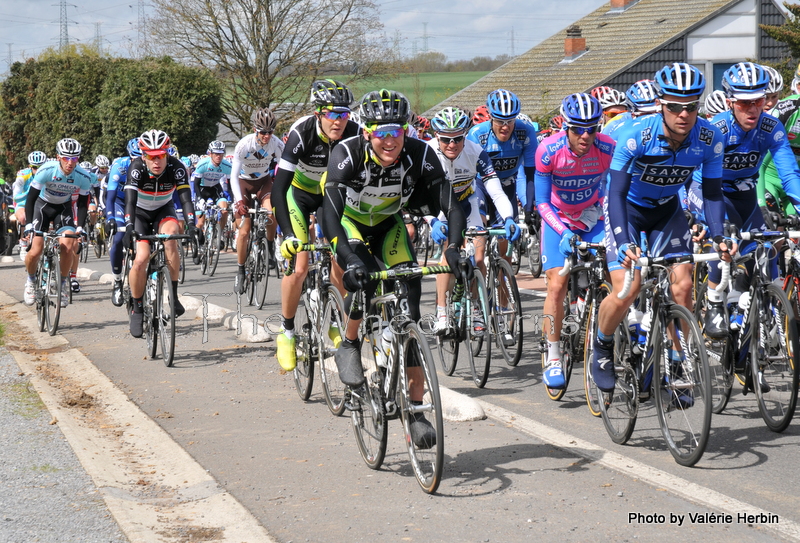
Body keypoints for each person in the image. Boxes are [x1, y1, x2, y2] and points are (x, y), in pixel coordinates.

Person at [322, 89, 470, 449]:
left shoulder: (420, 154)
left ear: (406, 131)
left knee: (411, 307)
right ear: (368, 132)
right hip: (351, 226)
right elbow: (329, 216)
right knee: (365, 282)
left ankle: (416, 411)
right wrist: (348, 258)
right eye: (381, 133)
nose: (390, 141)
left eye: (397, 132)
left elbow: (451, 206)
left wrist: (452, 247)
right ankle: (350, 343)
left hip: (389, 225)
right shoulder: (347, 153)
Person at [591, 63, 730, 392]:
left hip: (667, 210)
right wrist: (624, 241)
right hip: (627, 208)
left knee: (682, 287)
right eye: (675, 106)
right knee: (628, 288)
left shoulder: (710, 138)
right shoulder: (635, 135)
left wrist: (719, 235)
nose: (683, 114)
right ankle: (602, 345)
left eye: (691, 106)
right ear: (661, 105)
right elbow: (615, 192)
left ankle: (677, 359)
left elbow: (711, 193)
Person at [690, 62, 800, 339]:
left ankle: (752, 305)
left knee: (765, 251)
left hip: (745, 193)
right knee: (724, 243)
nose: (753, 109)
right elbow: (697, 178)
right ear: (730, 102)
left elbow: (789, 175)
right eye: (744, 103)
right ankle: (715, 301)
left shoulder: (771, 127)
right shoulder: (716, 129)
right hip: (709, 192)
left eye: (759, 101)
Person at [272, 79, 359, 371]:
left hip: (331, 197)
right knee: (299, 266)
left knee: (341, 254)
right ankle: (286, 333)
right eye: (332, 114)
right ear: (318, 113)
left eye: (344, 114)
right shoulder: (302, 134)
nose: (338, 121)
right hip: (299, 195)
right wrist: (286, 234)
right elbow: (278, 189)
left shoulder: (355, 133)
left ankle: (335, 318)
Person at [536, 93, 615, 389]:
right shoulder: (548, 151)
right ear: (565, 128)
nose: (585, 136)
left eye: (592, 129)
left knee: (615, 272)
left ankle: (606, 338)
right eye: (578, 129)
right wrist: (564, 230)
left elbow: (612, 192)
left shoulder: (607, 148)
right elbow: (541, 202)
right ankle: (554, 354)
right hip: (558, 219)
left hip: (592, 215)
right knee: (557, 284)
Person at [427, 106, 517, 334]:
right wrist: (432, 221)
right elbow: (418, 194)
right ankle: (442, 313)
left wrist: (508, 217)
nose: (452, 144)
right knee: (449, 255)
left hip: (468, 203)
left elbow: (496, 191)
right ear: (437, 136)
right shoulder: (427, 153)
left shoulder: (476, 152)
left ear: (464, 136)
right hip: (439, 208)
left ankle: (476, 307)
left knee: (478, 258)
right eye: (446, 139)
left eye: (457, 138)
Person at [123, 130, 197, 338]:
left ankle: (173, 296)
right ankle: (137, 308)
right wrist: (129, 226)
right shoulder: (136, 168)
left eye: (161, 156)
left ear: (167, 154)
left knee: (172, 236)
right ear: (143, 156)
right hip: (139, 213)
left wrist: (191, 223)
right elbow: (129, 200)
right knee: (142, 258)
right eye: (151, 157)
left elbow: (185, 199)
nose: (157, 161)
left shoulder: (176, 167)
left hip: (163, 211)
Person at [21, 139, 93, 309]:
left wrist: (80, 228)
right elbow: (30, 200)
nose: (70, 163)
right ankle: (31, 281)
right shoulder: (46, 170)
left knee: (68, 245)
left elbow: (82, 204)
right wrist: (30, 225)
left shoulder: (83, 176)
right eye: (66, 158)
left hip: (63, 208)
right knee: (36, 249)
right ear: (58, 157)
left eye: (74, 159)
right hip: (42, 206)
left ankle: (62, 284)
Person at [467, 88, 535, 255]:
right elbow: (467, 175)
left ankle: (503, 279)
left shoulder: (525, 130)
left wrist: (529, 208)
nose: (505, 127)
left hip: (506, 184)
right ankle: (476, 273)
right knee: (479, 247)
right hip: (480, 184)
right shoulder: (477, 134)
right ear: (490, 117)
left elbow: (531, 173)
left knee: (506, 244)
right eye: (499, 121)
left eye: (510, 121)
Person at [230, 107, 285, 294]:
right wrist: (239, 202)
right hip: (244, 184)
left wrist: (282, 191)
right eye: (263, 132)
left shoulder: (277, 144)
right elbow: (233, 175)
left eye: (270, 132)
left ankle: (269, 244)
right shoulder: (244, 145)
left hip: (263, 183)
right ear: (256, 130)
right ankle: (240, 270)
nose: (267, 136)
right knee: (244, 232)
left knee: (271, 213)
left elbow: (284, 169)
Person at [106, 138, 141, 306]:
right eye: (136, 157)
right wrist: (110, 218)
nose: (140, 161)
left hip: (139, 203)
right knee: (119, 238)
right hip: (120, 202)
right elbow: (110, 196)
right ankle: (118, 281)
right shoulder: (119, 166)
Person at [192, 140, 232, 238]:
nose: (218, 156)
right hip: (201, 189)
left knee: (224, 210)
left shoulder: (227, 166)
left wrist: (233, 200)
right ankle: (198, 240)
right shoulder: (203, 164)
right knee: (200, 222)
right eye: (216, 154)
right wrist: (200, 199)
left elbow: (231, 185)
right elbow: (196, 184)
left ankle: (220, 234)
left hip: (215, 188)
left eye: (221, 154)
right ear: (210, 153)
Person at [12, 151, 48, 259]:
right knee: (23, 217)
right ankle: (23, 244)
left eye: (41, 167)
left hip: (41, 201)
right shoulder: (22, 176)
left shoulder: (49, 174)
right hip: (23, 202)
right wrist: (30, 192)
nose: (38, 170)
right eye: (35, 167)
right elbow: (16, 197)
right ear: (30, 166)